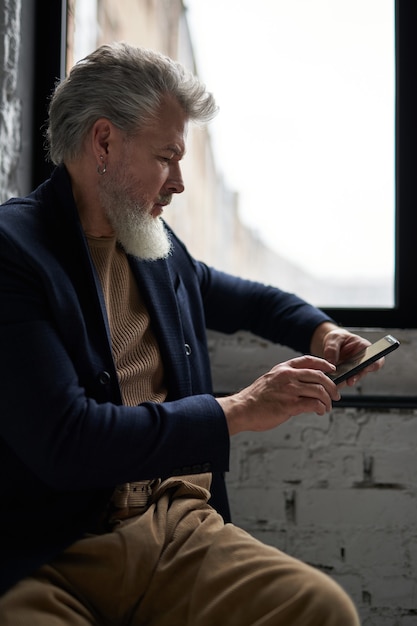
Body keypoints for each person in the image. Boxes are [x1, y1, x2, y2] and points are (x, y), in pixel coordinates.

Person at [0, 42, 382, 625]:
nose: (178, 181)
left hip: (175, 529)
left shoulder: (154, 242)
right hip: (52, 554)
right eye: (167, 156)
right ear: (103, 142)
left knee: (321, 609)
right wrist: (240, 408)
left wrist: (320, 331)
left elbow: (245, 298)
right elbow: (67, 440)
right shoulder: (13, 252)